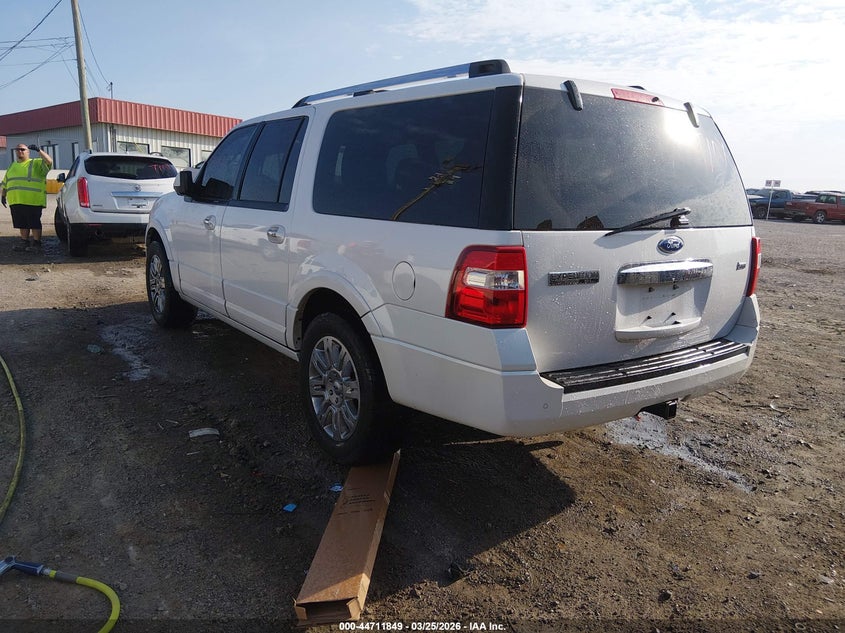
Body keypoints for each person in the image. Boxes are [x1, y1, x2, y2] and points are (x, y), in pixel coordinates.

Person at [1, 143, 53, 251]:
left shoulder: (36, 163)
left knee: (34, 223)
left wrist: (39, 151)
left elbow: (49, 161)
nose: (19, 151)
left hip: (33, 200)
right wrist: (3, 195)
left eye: (22, 149)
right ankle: (24, 242)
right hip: (16, 201)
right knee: (22, 223)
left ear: (28, 152)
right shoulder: (12, 165)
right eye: (17, 149)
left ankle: (37, 243)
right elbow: (6, 182)